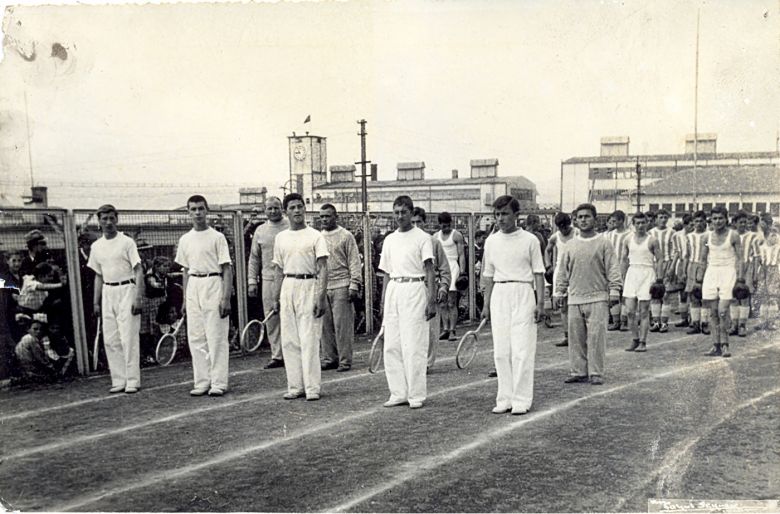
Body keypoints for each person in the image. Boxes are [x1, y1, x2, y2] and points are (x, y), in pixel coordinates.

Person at [482, 195, 545, 415]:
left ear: (516, 216)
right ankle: (505, 398)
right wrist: (486, 304)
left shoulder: (530, 240)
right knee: (501, 352)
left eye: (505, 214)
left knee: (521, 350)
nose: (500, 219)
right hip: (500, 294)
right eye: (497, 214)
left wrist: (540, 303)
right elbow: (488, 275)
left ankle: (521, 399)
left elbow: (538, 272)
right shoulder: (491, 241)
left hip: (523, 293)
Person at [379, 195, 436, 409]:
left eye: (404, 212)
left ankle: (416, 394)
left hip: (415, 288)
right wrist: (384, 301)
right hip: (394, 289)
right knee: (392, 345)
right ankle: (398, 392)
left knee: (413, 345)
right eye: (396, 212)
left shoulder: (422, 238)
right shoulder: (389, 239)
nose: (400, 216)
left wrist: (431, 300)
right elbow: (385, 273)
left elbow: (429, 270)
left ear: (412, 213)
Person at [555, 203, 622, 386]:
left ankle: (595, 372)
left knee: (596, 338)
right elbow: (562, 271)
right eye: (580, 217)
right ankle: (578, 371)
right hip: (575, 298)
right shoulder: (570, 245)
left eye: (587, 216)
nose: (583, 220)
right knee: (576, 338)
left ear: (595, 219)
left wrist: (615, 290)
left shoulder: (604, 243)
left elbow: (613, 269)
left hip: (598, 298)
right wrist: (559, 292)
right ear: (575, 220)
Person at [272, 193, 329, 401]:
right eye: (292, 207)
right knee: (289, 340)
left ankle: (312, 388)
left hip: (309, 285)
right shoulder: (281, 238)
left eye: (300, 206)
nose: (297, 211)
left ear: (305, 209)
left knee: (309, 339)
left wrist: (320, 296)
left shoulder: (315, 236)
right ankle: (295, 386)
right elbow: (278, 270)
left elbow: (323, 267)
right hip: (288, 286)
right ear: (286, 212)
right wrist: (276, 297)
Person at [175, 195, 233, 396]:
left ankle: (218, 382)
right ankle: (202, 381)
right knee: (196, 337)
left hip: (213, 283)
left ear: (206, 210)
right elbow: (185, 270)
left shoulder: (217, 237)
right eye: (193, 209)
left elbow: (226, 268)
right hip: (194, 286)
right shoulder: (185, 239)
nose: (197, 213)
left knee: (215, 336)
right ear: (188, 212)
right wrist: (184, 298)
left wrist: (225, 298)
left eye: (201, 208)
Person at [88, 204, 145, 394]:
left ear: (117, 219)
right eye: (104, 219)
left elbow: (138, 270)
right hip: (107, 292)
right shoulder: (96, 246)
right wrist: (96, 302)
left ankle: (132, 381)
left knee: (128, 338)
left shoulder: (127, 242)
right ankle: (119, 379)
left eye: (112, 218)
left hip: (127, 289)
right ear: (99, 221)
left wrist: (138, 298)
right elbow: (98, 275)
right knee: (111, 339)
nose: (108, 222)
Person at [318, 204, 362, 373]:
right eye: (321, 217)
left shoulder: (346, 236)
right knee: (325, 326)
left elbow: (354, 261)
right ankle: (329, 358)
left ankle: (345, 360)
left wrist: (354, 283)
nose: (324, 219)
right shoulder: (318, 237)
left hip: (342, 285)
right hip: (323, 285)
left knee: (342, 326)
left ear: (335, 216)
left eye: (327, 216)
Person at [247, 196, 289, 369]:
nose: (273, 211)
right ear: (265, 210)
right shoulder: (260, 231)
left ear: (282, 208)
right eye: (269, 208)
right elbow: (254, 258)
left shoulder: (290, 226)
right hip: (268, 280)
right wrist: (252, 281)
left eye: (276, 208)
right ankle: (277, 356)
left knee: (290, 317)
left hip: (289, 278)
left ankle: (293, 354)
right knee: (271, 319)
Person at [410, 207, 450, 372]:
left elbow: (444, 269)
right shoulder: (403, 240)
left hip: (429, 288)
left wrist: (443, 287)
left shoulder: (433, 242)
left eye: (419, 221)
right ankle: (413, 361)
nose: (416, 225)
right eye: (413, 222)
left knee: (431, 329)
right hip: (411, 289)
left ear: (425, 222)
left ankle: (427, 362)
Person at [701, 206, 743, 357]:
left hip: (728, 272)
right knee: (713, 313)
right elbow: (702, 259)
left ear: (726, 219)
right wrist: (699, 280)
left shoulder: (734, 235)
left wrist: (740, 279)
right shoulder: (706, 237)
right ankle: (715, 345)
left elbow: (740, 258)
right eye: (714, 218)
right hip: (711, 272)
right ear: (711, 220)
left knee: (723, 311)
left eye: (720, 218)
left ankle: (725, 345)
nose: (717, 221)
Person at [621, 212, 663, 352]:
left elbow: (660, 260)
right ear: (633, 224)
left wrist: (659, 279)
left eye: (643, 223)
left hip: (647, 273)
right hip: (632, 274)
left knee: (644, 311)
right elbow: (623, 259)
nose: (640, 226)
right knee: (629, 311)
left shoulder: (652, 240)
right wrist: (622, 278)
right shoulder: (627, 240)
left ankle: (643, 342)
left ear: (647, 223)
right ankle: (635, 339)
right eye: (637, 223)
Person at [545, 212, 576, 347]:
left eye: (565, 227)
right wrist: (548, 265)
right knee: (562, 306)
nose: (563, 230)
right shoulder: (555, 236)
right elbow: (547, 250)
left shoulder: (578, 233)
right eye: (560, 227)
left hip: (576, 270)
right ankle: (567, 336)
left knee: (576, 305)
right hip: (560, 271)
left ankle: (579, 336)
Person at [433, 212, 466, 341]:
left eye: (447, 226)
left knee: (452, 302)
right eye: (443, 226)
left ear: (450, 224)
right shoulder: (436, 236)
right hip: (441, 268)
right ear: (439, 224)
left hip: (453, 266)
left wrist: (462, 272)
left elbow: (461, 255)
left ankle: (452, 330)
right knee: (442, 302)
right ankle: (445, 329)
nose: (445, 228)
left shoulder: (456, 235)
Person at [729, 211, 759, 337]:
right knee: (733, 297)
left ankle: (742, 325)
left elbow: (757, 256)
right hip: (732, 268)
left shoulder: (753, 236)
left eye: (744, 222)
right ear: (734, 223)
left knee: (744, 296)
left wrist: (755, 274)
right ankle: (734, 324)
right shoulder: (730, 235)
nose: (743, 224)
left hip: (747, 267)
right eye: (740, 222)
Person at [648, 209, 676, 333]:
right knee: (654, 293)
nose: (663, 220)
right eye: (660, 217)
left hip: (667, 263)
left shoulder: (672, 233)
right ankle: (656, 322)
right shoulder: (650, 233)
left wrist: (671, 267)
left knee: (666, 294)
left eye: (665, 217)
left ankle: (664, 322)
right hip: (653, 264)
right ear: (655, 219)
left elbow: (676, 252)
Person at [684, 211, 710, 335]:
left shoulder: (709, 235)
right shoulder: (689, 236)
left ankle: (705, 323)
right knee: (693, 296)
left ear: (705, 221)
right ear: (693, 222)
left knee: (705, 296)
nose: (698, 223)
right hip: (692, 266)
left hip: (706, 266)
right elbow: (687, 255)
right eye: (696, 221)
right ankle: (695, 323)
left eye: (701, 221)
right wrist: (684, 270)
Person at [605, 210, 631, 331]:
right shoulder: (609, 235)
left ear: (622, 221)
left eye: (615, 221)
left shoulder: (630, 235)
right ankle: (615, 321)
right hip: (611, 267)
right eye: (612, 221)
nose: (613, 223)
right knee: (613, 294)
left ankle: (624, 321)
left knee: (625, 294)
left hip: (626, 266)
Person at [670, 213, 694, 327]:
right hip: (681, 263)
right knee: (682, 292)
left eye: (693, 224)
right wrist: (673, 267)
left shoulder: (696, 235)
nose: (692, 227)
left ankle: (695, 319)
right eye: (689, 225)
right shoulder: (677, 236)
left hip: (693, 263)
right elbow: (676, 251)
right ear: (684, 225)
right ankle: (684, 318)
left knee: (694, 292)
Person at [755, 226, 779, 330]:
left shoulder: (778, 247)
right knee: (763, 296)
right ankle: (763, 321)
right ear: (766, 236)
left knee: (772, 297)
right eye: (771, 236)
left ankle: (772, 321)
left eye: (776, 236)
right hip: (763, 272)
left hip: (774, 271)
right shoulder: (762, 247)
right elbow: (758, 260)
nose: (774, 238)